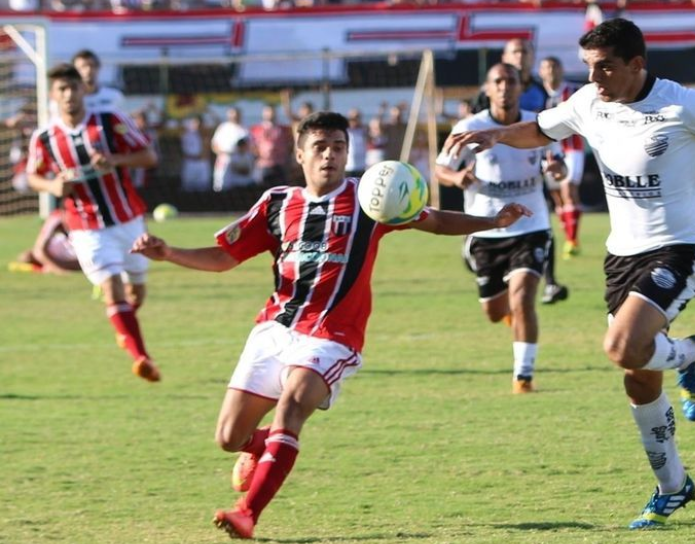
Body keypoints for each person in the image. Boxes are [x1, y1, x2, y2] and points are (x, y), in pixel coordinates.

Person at [444, 18, 695, 529]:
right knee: (638, 380)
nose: (594, 79)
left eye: (606, 68)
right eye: (589, 67)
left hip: (682, 248)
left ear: (637, 65)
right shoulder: (589, 103)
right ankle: (673, 487)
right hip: (622, 256)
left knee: (620, 345)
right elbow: (543, 127)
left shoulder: (682, 104)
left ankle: (692, 354)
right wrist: (496, 134)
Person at [130, 111, 532, 540]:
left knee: (291, 407)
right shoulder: (277, 203)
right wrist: (168, 252)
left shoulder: (371, 199)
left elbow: (433, 220)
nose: (330, 155)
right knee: (229, 437)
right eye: (320, 147)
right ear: (300, 154)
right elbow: (224, 258)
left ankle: (247, 513)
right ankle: (262, 445)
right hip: (275, 329)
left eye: (338, 147)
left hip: (333, 338)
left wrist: (491, 222)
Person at [435, 63, 566, 395]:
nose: (505, 87)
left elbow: (560, 170)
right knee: (495, 312)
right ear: (488, 89)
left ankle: (523, 376)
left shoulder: (540, 123)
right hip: (486, 227)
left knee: (523, 299)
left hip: (531, 224)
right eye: (498, 82)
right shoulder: (469, 127)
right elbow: (441, 169)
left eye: (510, 81)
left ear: (520, 87)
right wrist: (457, 177)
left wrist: (556, 169)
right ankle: (515, 324)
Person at [27, 63, 161, 382]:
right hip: (85, 226)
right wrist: (52, 186)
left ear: (84, 89)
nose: (69, 94)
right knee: (111, 286)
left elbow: (149, 156)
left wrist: (116, 160)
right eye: (62, 89)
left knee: (136, 290)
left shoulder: (110, 122)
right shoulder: (45, 137)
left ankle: (124, 327)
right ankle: (141, 357)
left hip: (127, 220)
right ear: (53, 95)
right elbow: (33, 176)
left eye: (73, 87)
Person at [474, 38, 568, 304]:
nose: (520, 56)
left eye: (525, 52)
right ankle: (476, 248)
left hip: (531, 161)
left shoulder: (540, 92)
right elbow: (476, 124)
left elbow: (548, 126)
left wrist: (551, 158)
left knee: (541, 217)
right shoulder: (488, 91)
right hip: (493, 166)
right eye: (515, 52)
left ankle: (549, 280)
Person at [539, 55, 587, 259]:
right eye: (547, 67)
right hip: (548, 150)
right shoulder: (537, 95)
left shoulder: (574, 92)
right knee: (557, 196)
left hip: (572, 148)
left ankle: (572, 240)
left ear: (561, 70)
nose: (551, 71)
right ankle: (567, 234)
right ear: (541, 72)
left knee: (568, 189)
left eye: (554, 67)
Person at [9, 209, 80, 274]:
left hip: (76, 255)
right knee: (26, 257)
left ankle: (49, 265)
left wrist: (57, 268)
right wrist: (57, 269)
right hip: (57, 253)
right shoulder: (56, 218)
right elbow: (39, 250)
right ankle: (48, 265)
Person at [211, 107, 254, 191]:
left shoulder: (245, 129)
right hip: (224, 162)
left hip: (240, 161)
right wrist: (224, 154)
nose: (234, 117)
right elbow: (214, 146)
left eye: (236, 115)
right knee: (221, 188)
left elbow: (250, 147)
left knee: (240, 188)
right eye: (232, 114)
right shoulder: (223, 128)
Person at [249, 104, 292, 185]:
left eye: (272, 111)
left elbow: (289, 144)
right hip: (263, 165)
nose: (270, 114)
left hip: (280, 165)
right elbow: (251, 146)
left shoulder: (283, 129)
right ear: (263, 113)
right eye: (267, 111)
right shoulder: (256, 129)